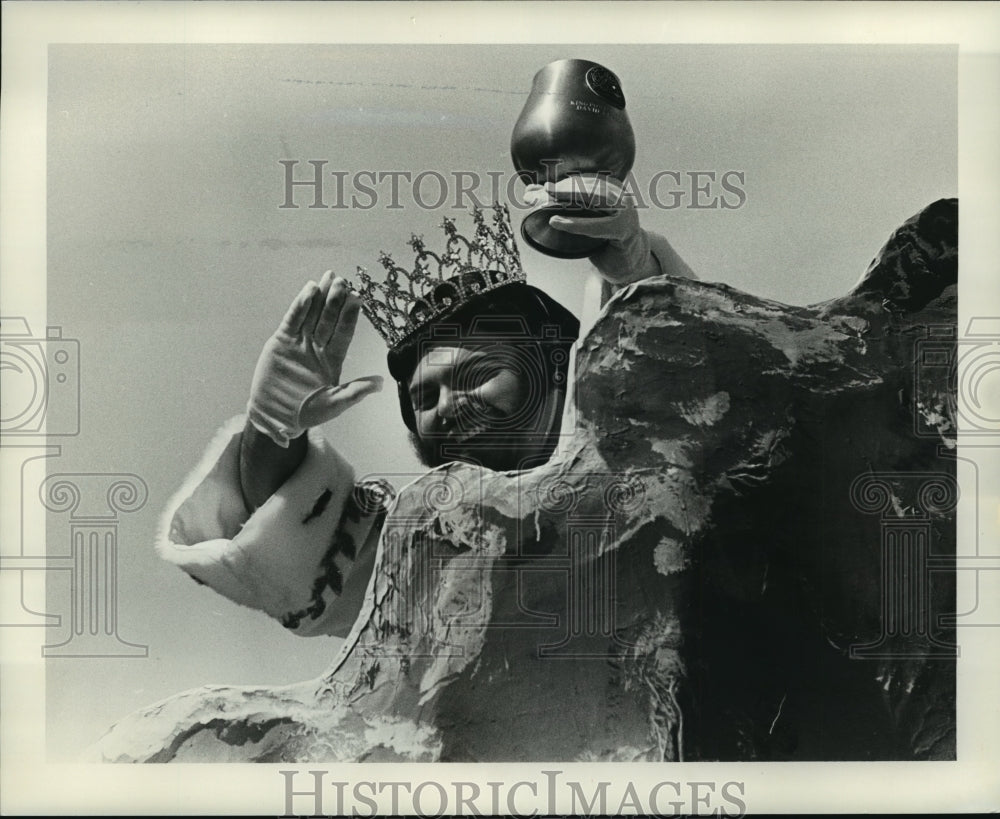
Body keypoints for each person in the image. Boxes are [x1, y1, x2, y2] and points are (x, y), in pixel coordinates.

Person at [157, 180, 696, 637]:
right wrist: (271, 430)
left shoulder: (636, 457)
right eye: (424, 398)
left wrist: (640, 279)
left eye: (478, 376)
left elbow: (690, 404)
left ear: (556, 371)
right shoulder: (421, 547)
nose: (447, 408)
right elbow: (280, 570)